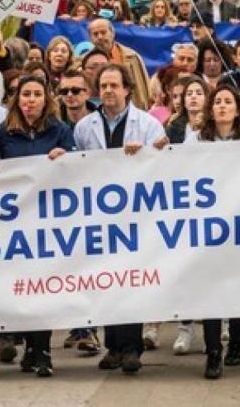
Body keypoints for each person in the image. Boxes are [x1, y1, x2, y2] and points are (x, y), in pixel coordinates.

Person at [74, 63, 167, 374]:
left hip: (136, 214)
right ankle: (113, 346)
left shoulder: (148, 125)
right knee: (107, 280)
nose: (108, 91)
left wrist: (148, 153)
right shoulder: (84, 127)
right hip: (100, 214)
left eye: (114, 85)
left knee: (130, 279)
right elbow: (77, 167)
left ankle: (130, 348)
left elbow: (163, 163)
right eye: (103, 86)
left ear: (127, 89)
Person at [184, 84, 240, 378]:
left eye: (228, 102)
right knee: (210, 287)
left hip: (239, 224)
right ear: (210, 109)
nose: (222, 106)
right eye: (217, 101)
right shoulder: (195, 140)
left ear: (237, 109)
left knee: (235, 285)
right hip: (207, 224)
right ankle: (213, 351)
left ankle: (236, 341)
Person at [0, 76, 76, 377]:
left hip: (49, 219)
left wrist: (65, 157)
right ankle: (31, 347)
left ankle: (42, 351)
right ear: (17, 99)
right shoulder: (4, 131)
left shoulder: (59, 130)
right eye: (25, 94)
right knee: (24, 286)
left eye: (36, 94)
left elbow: (79, 166)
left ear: (46, 99)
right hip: (17, 220)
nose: (30, 99)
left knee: (43, 285)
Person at [87, 19, 151, 109]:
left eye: (103, 32)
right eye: (95, 34)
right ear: (90, 38)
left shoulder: (132, 57)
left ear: (112, 34)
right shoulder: (84, 62)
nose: (100, 37)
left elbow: (143, 91)